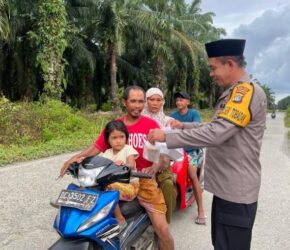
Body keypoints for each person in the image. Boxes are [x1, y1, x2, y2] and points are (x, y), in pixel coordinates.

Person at [148, 39, 267, 250]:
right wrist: (181, 127)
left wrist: (167, 137)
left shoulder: (244, 92)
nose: (211, 73)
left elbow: (216, 133)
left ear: (230, 64)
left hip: (236, 193)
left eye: (213, 68)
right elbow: (216, 126)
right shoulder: (233, 93)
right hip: (226, 190)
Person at [60, 85, 174, 250]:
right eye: (133, 101)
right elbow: (96, 148)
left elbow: (164, 153)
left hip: (143, 181)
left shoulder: (151, 124)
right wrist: (72, 160)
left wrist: (154, 167)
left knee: (162, 229)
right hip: (113, 179)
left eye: (141, 101)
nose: (137, 106)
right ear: (124, 102)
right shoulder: (116, 126)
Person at [170, 91, 206, 225]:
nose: (179, 102)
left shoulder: (194, 113)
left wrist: (182, 126)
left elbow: (197, 126)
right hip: (176, 150)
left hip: (191, 150)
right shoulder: (173, 115)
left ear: (188, 102)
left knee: (192, 174)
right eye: (177, 100)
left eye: (182, 100)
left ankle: (201, 210)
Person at [142, 87, 176, 223]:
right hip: (141, 162)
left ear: (163, 102)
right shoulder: (138, 119)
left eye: (158, 100)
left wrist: (166, 159)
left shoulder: (168, 121)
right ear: (146, 101)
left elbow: (174, 145)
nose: (155, 103)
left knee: (167, 184)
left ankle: (165, 222)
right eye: (151, 99)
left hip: (163, 163)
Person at [99, 120, 139, 230]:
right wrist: (84, 160)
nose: (118, 141)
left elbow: (131, 164)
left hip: (130, 185)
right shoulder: (107, 153)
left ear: (126, 137)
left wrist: (124, 164)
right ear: (108, 139)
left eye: (121, 137)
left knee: (109, 187)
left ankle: (120, 219)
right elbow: (97, 162)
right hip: (115, 184)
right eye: (114, 138)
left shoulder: (128, 149)